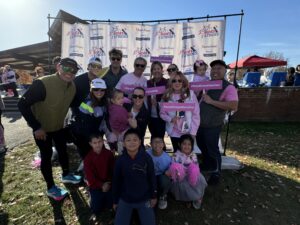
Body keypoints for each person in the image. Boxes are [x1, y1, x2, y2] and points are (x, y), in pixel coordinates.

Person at [18, 58, 82, 201]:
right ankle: (51, 188)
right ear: (58, 66)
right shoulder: (42, 83)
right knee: (46, 156)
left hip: (59, 127)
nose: (69, 73)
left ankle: (66, 175)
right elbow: (22, 104)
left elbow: (77, 104)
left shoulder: (72, 87)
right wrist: (36, 127)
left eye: (74, 70)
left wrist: (92, 108)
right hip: (42, 130)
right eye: (66, 68)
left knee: (63, 150)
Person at [196, 60, 238, 185]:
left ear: (225, 71)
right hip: (200, 124)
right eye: (213, 68)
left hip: (213, 125)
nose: (215, 71)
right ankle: (208, 165)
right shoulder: (206, 83)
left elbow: (233, 105)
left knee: (213, 149)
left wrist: (211, 102)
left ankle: (216, 171)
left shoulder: (229, 87)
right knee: (202, 145)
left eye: (219, 68)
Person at [113, 128, 157, 225]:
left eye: (135, 140)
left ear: (140, 142)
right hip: (125, 199)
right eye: (128, 140)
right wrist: (115, 201)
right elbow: (116, 181)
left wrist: (153, 196)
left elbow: (152, 177)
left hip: (144, 198)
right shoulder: (120, 160)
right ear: (124, 143)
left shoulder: (146, 158)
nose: (132, 142)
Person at [160, 71, 200, 152]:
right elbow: (162, 113)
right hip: (174, 132)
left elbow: (196, 115)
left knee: (187, 156)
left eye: (179, 80)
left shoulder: (190, 94)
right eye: (174, 80)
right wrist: (170, 119)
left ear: (183, 82)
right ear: (171, 83)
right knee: (177, 154)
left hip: (187, 131)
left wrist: (193, 132)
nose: (177, 83)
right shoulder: (166, 95)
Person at [70, 78, 107, 159]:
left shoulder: (103, 101)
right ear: (91, 90)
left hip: (95, 132)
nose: (99, 92)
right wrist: (93, 140)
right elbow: (85, 123)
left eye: (102, 90)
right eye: (96, 89)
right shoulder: (87, 104)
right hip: (84, 135)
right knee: (88, 156)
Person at [168, 134, 207, 209]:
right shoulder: (176, 155)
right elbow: (173, 168)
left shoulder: (193, 155)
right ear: (179, 144)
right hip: (181, 177)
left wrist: (193, 171)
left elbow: (196, 166)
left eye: (189, 144)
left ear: (192, 146)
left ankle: (198, 198)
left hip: (192, 176)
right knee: (184, 186)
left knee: (200, 180)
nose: (187, 146)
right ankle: (188, 199)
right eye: (184, 144)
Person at [84, 133, 114, 215]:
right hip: (96, 185)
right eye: (95, 143)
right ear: (90, 144)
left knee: (111, 205)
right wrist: (101, 185)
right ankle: (92, 196)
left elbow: (113, 170)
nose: (98, 144)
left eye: (99, 141)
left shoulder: (109, 154)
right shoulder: (87, 159)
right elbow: (90, 178)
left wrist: (108, 183)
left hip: (108, 183)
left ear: (103, 141)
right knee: (96, 209)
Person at [146, 136, 171, 209]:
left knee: (165, 180)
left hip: (161, 176)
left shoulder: (167, 158)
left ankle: (163, 195)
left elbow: (169, 172)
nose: (157, 144)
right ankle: (147, 195)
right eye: (155, 142)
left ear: (163, 144)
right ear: (150, 144)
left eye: (160, 142)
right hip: (149, 176)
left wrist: (168, 172)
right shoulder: (146, 154)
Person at [147, 61, 168, 138]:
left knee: (160, 137)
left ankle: (161, 149)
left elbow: (169, 101)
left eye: (158, 69)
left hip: (161, 116)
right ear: (152, 71)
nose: (156, 71)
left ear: (162, 70)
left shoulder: (166, 82)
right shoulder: (148, 83)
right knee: (153, 136)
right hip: (151, 116)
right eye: (154, 69)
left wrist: (158, 104)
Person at [106, 89, 130, 154]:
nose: (122, 100)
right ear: (113, 100)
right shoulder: (120, 110)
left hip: (114, 130)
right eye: (118, 99)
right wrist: (129, 117)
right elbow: (125, 120)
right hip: (121, 130)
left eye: (122, 98)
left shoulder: (111, 107)